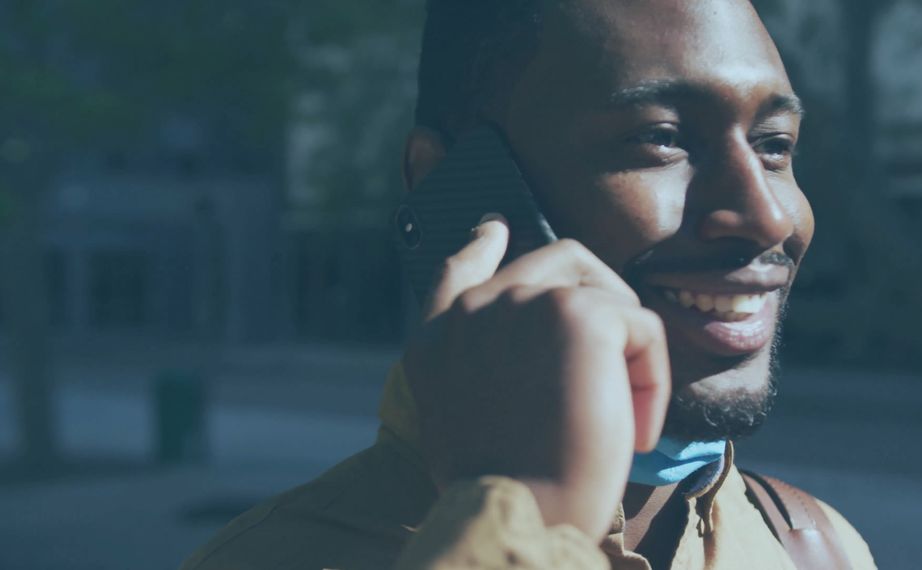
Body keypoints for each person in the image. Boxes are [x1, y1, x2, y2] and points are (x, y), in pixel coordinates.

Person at [182, 0, 877, 568]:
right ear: (445, 186)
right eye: (661, 137)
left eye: (775, 145)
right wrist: (522, 519)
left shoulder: (821, 549)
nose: (765, 215)